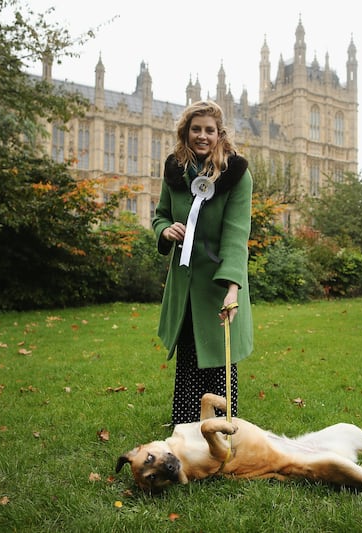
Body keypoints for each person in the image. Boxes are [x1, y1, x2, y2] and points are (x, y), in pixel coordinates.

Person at [152, 100, 253, 425]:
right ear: (186, 132)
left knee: (218, 357)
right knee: (190, 354)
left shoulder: (236, 174)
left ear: (219, 134)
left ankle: (222, 429)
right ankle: (186, 426)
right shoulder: (174, 171)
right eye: (196, 129)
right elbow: (161, 216)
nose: (202, 136)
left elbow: (237, 236)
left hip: (219, 280)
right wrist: (165, 230)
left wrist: (232, 289)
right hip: (185, 281)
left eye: (209, 130)